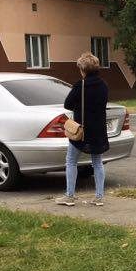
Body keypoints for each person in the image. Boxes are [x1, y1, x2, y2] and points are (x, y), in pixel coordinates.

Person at [56, 53, 109, 207]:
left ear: (83, 69)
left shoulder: (81, 85)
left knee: (71, 161)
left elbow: (67, 104)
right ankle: (99, 197)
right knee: (97, 162)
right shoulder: (103, 85)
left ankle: (70, 196)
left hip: (81, 130)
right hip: (98, 130)